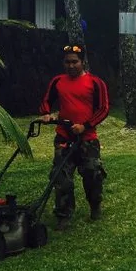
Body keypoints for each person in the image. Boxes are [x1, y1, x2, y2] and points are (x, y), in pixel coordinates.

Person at [39, 45, 109, 229]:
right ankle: (63, 215)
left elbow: (103, 109)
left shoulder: (95, 83)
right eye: (67, 62)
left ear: (82, 62)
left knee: (92, 174)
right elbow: (47, 100)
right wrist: (46, 113)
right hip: (64, 137)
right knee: (61, 177)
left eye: (74, 62)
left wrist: (85, 126)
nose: (70, 66)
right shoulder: (58, 81)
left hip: (87, 139)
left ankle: (95, 206)